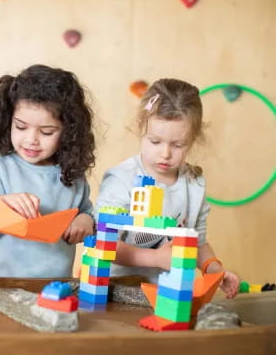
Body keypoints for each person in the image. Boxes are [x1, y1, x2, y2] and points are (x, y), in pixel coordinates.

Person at [96, 78, 240, 299]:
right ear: (140, 130)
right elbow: (104, 242)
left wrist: (214, 270)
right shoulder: (122, 179)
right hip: (118, 291)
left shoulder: (194, 184)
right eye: (155, 142)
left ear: (193, 140)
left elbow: (198, 242)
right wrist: (155, 259)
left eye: (177, 145)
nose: (165, 153)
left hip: (171, 293)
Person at [0, 64, 96, 277]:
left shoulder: (72, 176)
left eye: (46, 132)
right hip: (0, 287)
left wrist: (87, 220)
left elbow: (87, 213)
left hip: (54, 289)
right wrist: (3, 205)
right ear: (8, 121)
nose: (31, 140)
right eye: (20, 127)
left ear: (68, 132)